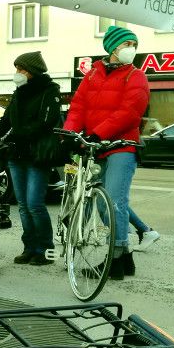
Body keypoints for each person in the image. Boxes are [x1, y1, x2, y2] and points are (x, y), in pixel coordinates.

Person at [63, 25, 150, 279]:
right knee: (101, 203)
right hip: (96, 146)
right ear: (112, 48)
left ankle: (116, 259)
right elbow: (78, 107)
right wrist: (70, 134)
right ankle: (126, 257)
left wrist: (98, 133)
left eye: (134, 45)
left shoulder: (136, 76)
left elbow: (130, 112)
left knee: (114, 201)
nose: (131, 49)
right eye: (126, 44)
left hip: (122, 145)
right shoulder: (92, 75)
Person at [0, 51, 60, 265]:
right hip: (17, 154)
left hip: (38, 154)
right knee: (22, 205)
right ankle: (29, 247)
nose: (18, 73)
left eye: (21, 69)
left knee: (34, 204)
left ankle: (45, 249)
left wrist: (17, 135)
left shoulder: (49, 90)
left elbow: (47, 122)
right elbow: (5, 122)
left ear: (32, 71)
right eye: (16, 69)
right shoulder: (19, 93)